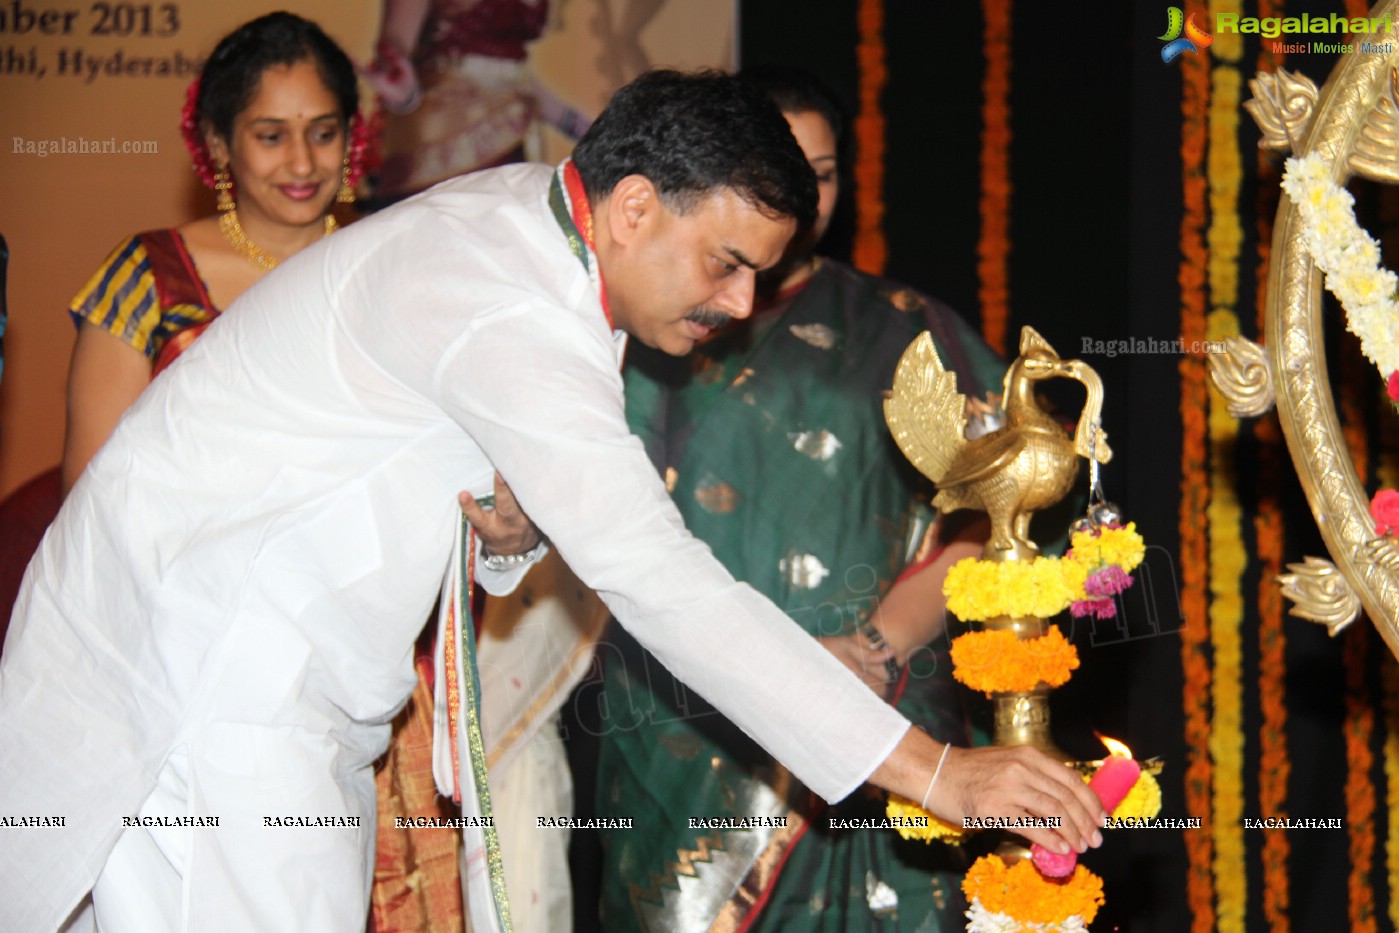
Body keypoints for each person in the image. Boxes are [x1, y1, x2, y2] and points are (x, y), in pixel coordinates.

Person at [0, 69, 1103, 933]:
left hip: (235, 686)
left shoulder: (519, 224)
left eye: (759, 274)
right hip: (208, 699)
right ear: (632, 208)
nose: (740, 301)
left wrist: (506, 529)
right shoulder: (508, 303)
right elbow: (658, 580)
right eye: (725, 263)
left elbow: (400, 466)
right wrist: (935, 771)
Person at [588, 68, 1006, 932]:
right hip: (683, 727)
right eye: (776, 169)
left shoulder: (904, 330)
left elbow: (992, 516)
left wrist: (871, 648)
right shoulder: (632, 334)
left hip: (883, 694)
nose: (801, 196)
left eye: (820, 172)